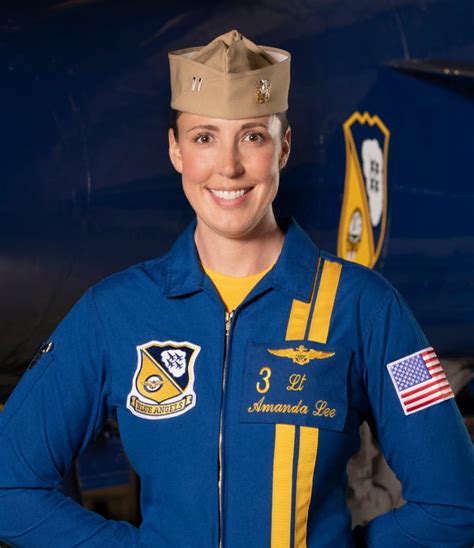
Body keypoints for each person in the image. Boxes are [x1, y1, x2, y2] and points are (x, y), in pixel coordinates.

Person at [0, 29, 473, 548]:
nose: (228, 166)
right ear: (176, 150)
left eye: (253, 136)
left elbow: (454, 505)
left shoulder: (367, 309)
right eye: (204, 137)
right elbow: (9, 487)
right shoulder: (113, 313)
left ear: (284, 147)